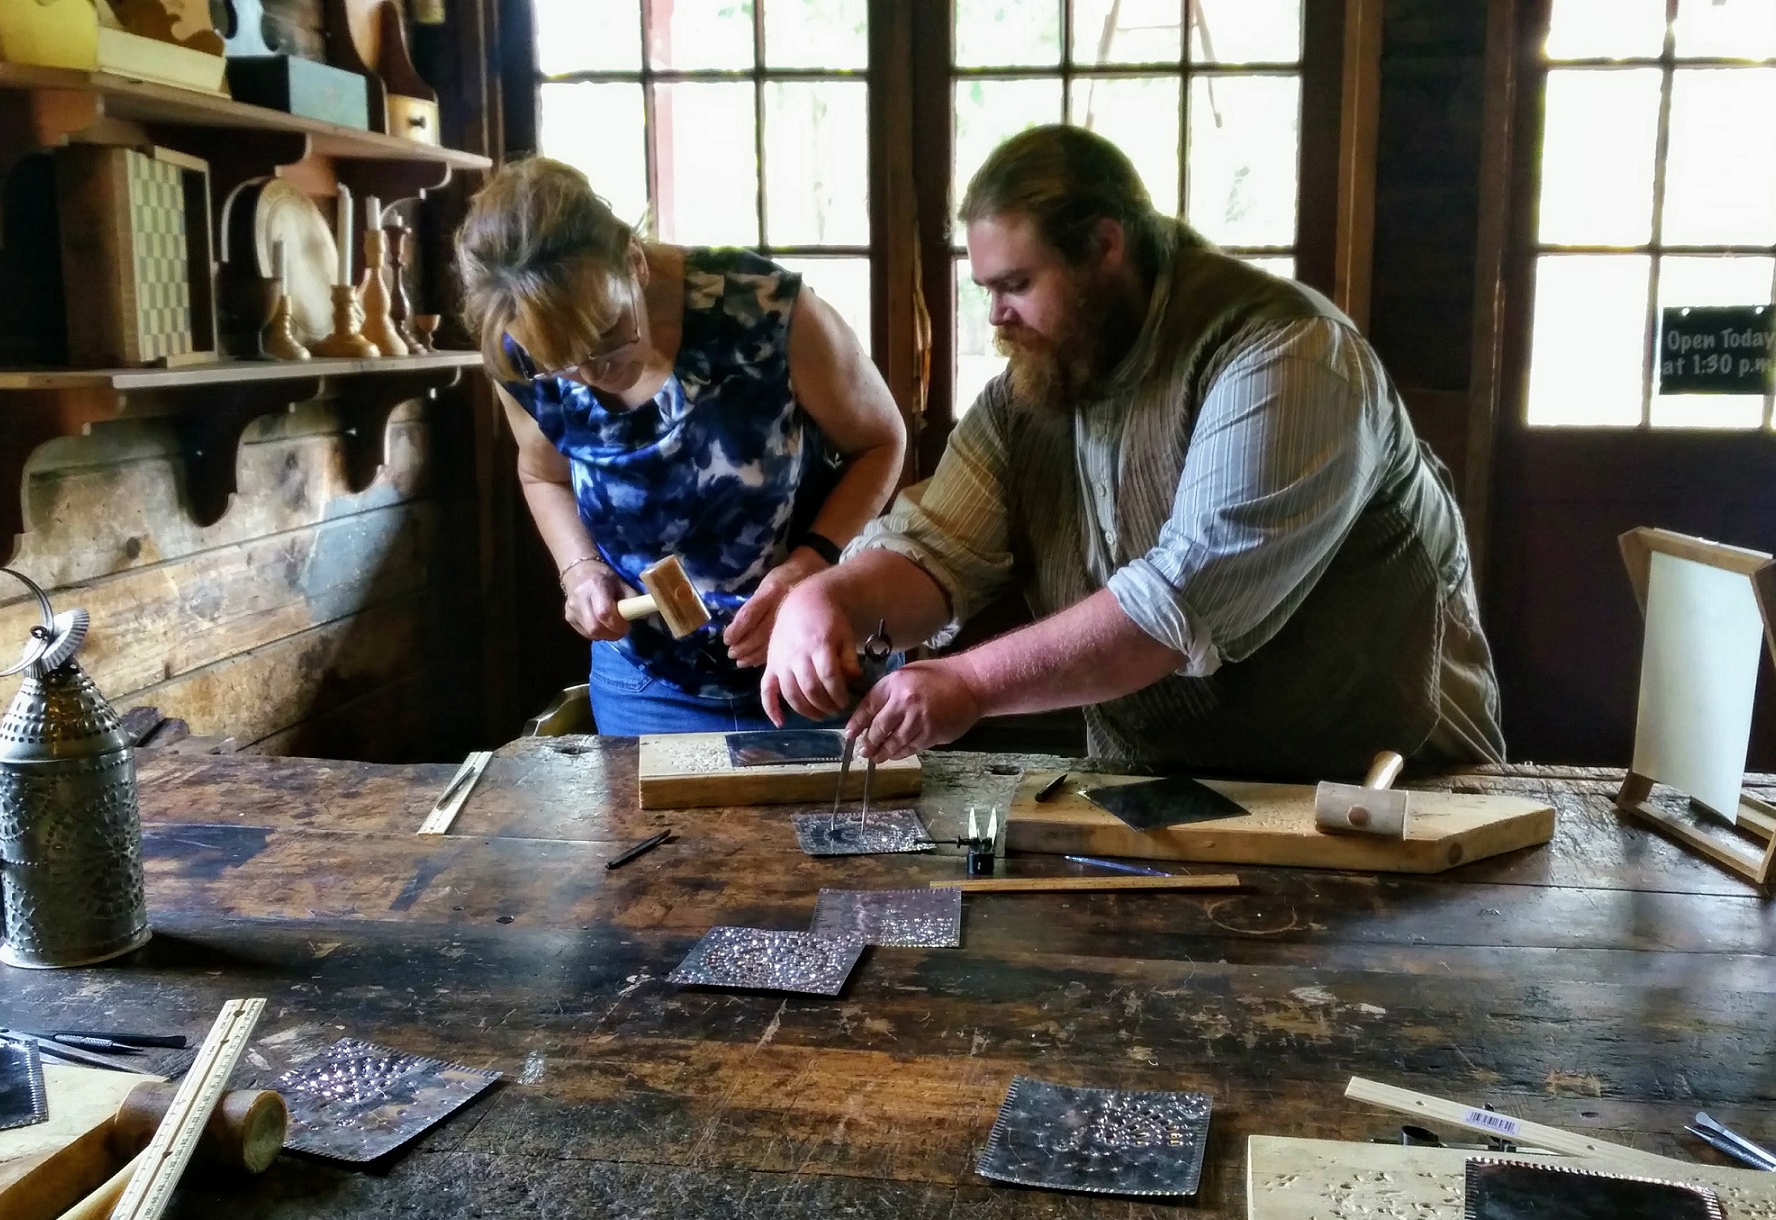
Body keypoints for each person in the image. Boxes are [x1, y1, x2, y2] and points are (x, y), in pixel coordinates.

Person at [760, 126, 1503, 781]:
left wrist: (969, 684)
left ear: (1104, 247)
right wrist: (834, 597)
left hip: (1387, 789)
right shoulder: (1032, 390)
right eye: (987, 288)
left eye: (1017, 284)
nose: (996, 316)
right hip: (1168, 790)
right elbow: (936, 552)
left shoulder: (1287, 354)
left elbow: (1174, 602)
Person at [457, 157, 906, 735]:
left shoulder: (763, 310)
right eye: (566, 365)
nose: (595, 375)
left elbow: (881, 442)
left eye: (607, 336)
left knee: (842, 827)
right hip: (646, 684)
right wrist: (580, 570)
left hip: (815, 660)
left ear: (635, 262)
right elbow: (543, 474)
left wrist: (808, 565)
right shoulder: (521, 350)